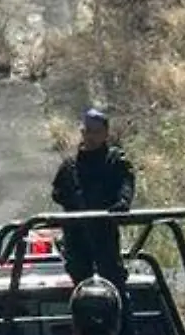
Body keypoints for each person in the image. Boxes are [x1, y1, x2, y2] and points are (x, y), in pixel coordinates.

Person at [50, 105, 136, 291]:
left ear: (105, 133)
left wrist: (121, 204)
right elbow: (58, 192)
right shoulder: (70, 166)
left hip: (103, 229)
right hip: (76, 233)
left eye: (96, 132)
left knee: (114, 281)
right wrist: (73, 203)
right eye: (87, 131)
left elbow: (126, 185)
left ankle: (121, 317)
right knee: (80, 281)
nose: (91, 136)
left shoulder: (114, 161)